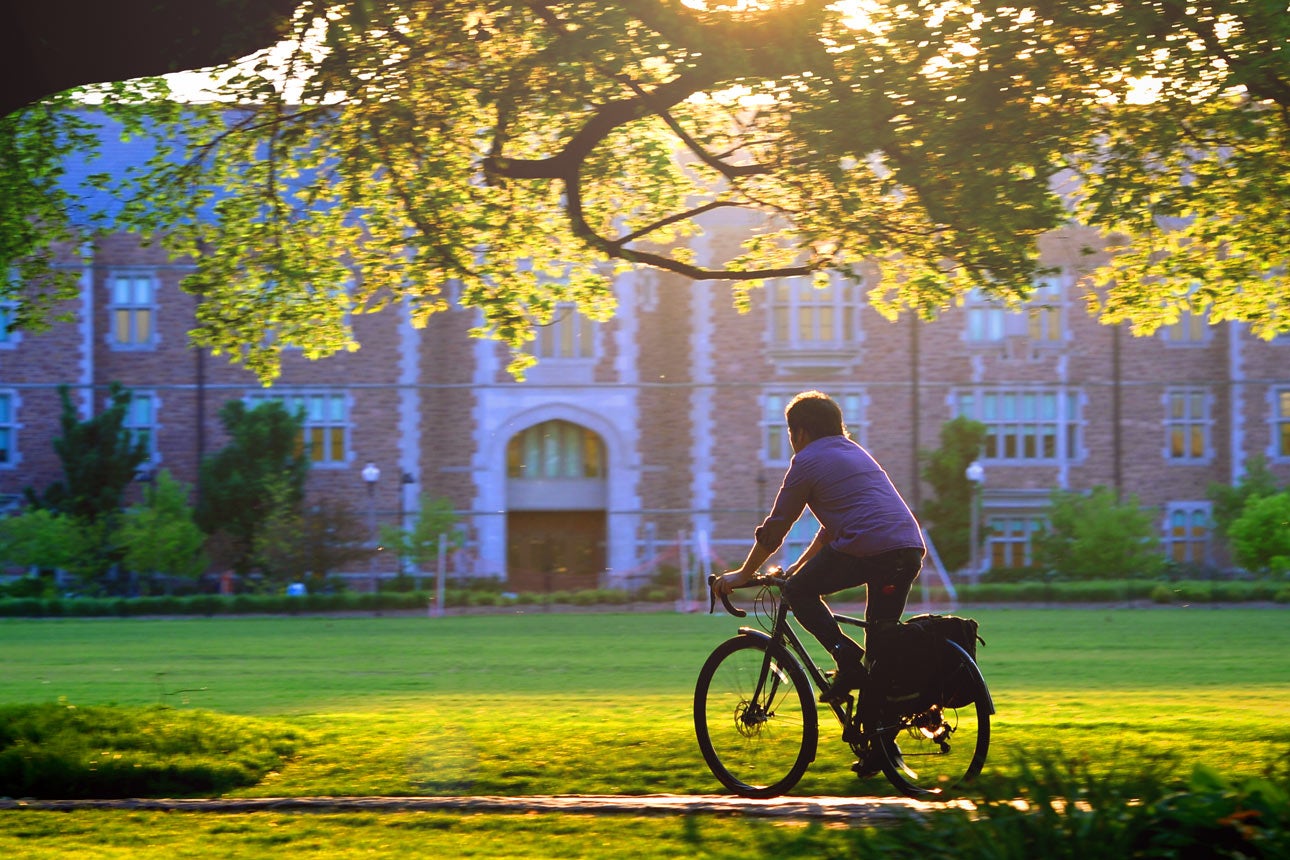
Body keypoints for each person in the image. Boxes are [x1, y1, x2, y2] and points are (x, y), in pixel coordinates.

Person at [713, 390, 925, 705]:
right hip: (907, 549)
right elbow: (831, 530)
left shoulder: (807, 461)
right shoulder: (855, 452)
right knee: (880, 649)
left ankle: (846, 657)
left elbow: (776, 528)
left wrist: (743, 574)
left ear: (799, 432)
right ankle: (879, 747)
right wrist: (799, 566)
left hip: (867, 548)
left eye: (789, 433)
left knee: (797, 591)